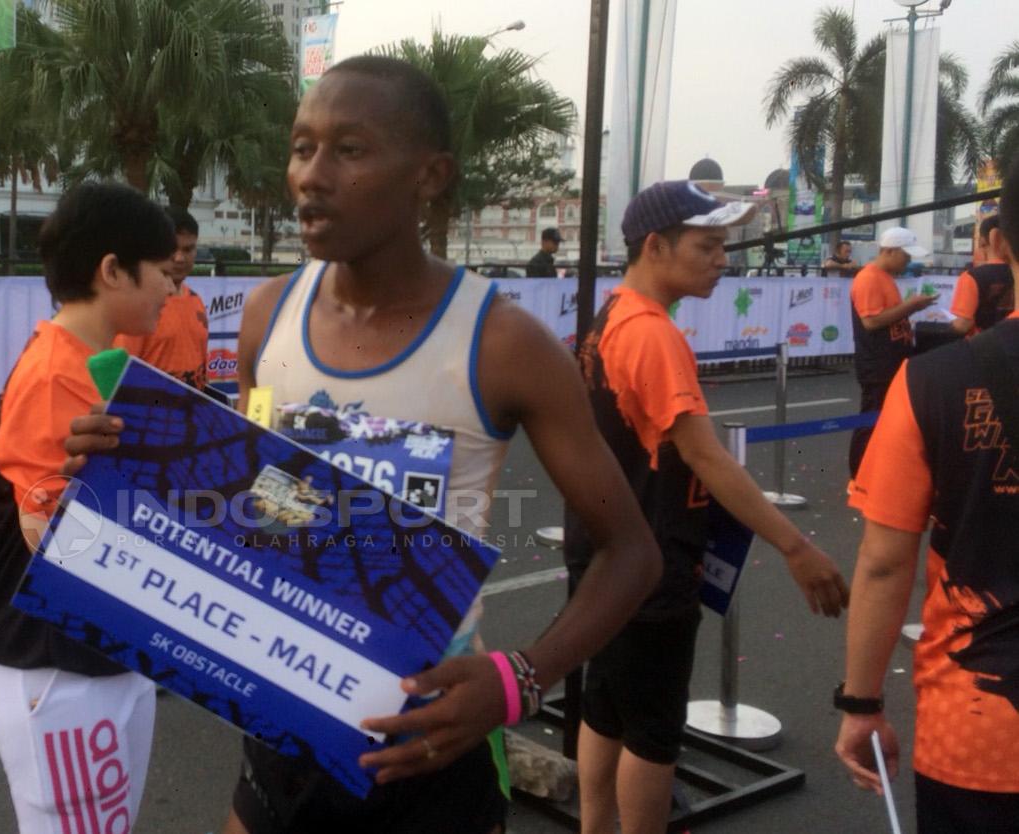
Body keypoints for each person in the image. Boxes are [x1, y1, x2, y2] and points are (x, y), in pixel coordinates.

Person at [64, 56, 663, 834]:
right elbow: (266, 509)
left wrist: (517, 679)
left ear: (430, 174)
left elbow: (631, 552)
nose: (311, 175)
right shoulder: (266, 315)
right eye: (302, 147)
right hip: (279, 732)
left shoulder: (501, 343)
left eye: (349, 150)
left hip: (429, 753)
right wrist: (130, 476)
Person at [563, 180, 849, 834]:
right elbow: (707, 456)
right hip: (653, 558)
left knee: (606, 705)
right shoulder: (654, 335)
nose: (724, 258)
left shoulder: (609, 317)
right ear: (656, 246)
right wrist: (796, 546)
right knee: (655, 729)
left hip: (602, 548)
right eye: (709, 244)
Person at [0, 182, 175, 834]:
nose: (171, 290)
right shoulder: (56, 373)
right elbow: (55, 539)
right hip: (54, 666)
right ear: (112, 269)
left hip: (106, 654)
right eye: (163, 273)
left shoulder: (104, 361)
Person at [835, 160, 1019, 832]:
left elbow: (885, 562)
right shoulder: (872, 286)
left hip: (978, 730)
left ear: (1002, 245)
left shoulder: (934, 383)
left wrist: (859, 703)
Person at [848, 227, 939, 476]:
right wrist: (911, 305)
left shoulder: (885, 277)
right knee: (871, 419)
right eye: (905, 255)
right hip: (877, 361)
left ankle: (874, 470)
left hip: (890, 358)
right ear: (889, 251)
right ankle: (858, 474)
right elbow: (872, 321)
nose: (908, 261)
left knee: (884, 418)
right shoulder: (869, 278)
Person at [115, 206, 209, 389]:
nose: (180, 258)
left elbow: (201, 373)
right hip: (149, 415)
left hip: (192, 415)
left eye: (188, 249)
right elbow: (119, 380)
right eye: (173, 249)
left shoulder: (196, 301)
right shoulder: (138, 306)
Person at [950, 215, 1013, 337]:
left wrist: (952, 325)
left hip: (983, 348)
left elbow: (963, 325)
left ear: (983, 241)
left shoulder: (971, 277)